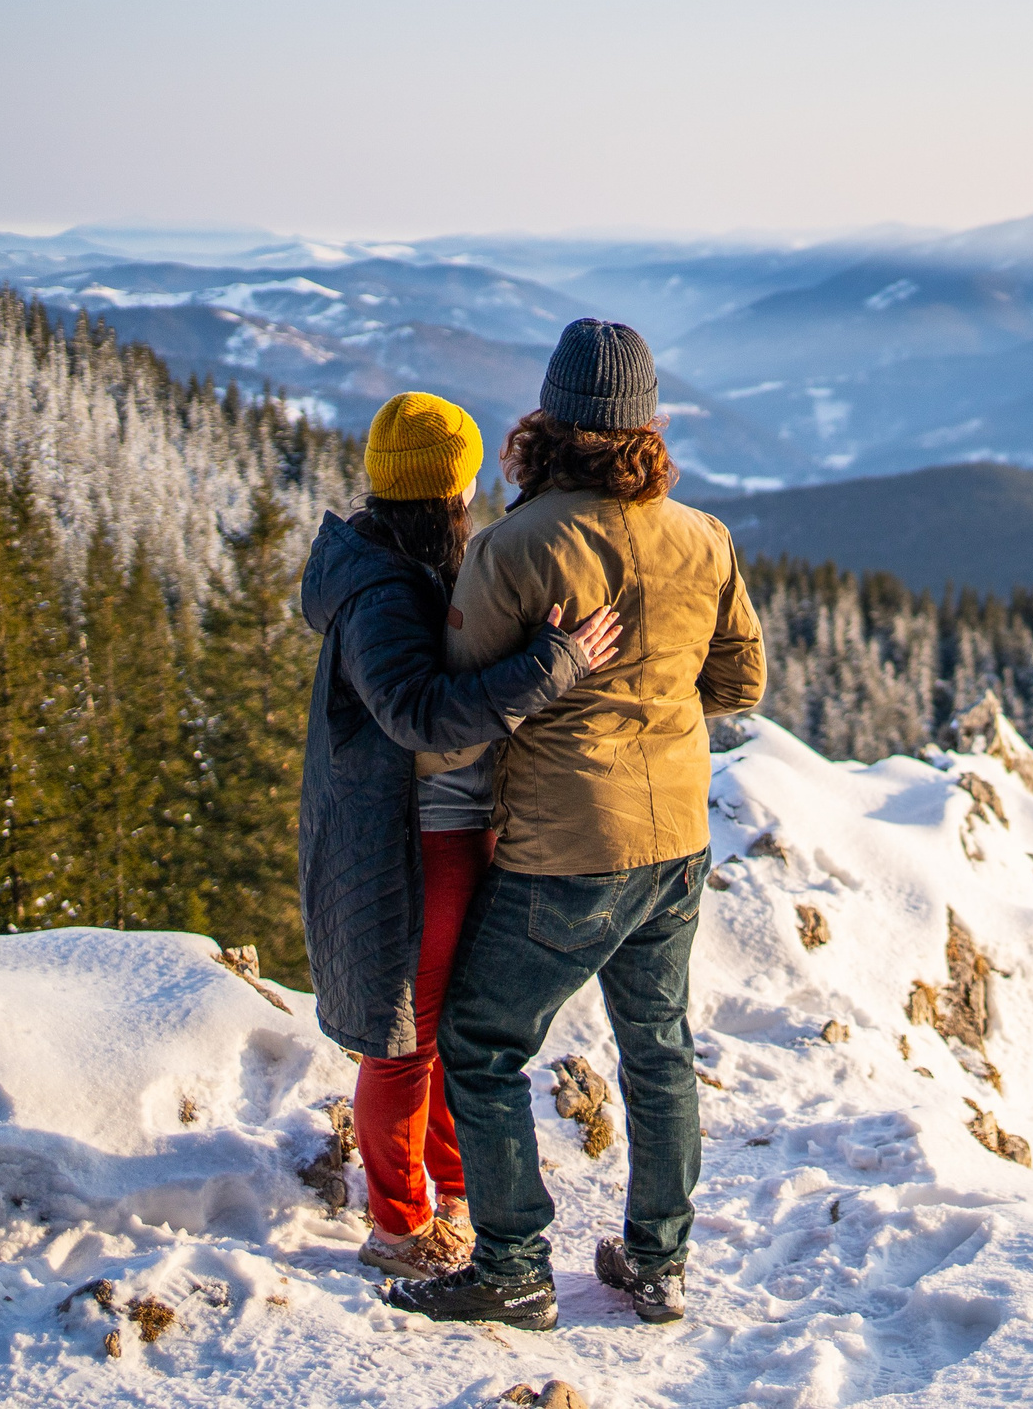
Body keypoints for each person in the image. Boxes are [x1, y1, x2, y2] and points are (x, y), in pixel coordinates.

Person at [387, 320, 764, 1332]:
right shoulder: (704, 537)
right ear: (647, 425)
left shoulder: (514, 547)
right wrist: (657, 698)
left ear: (549, 419)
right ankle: (658, 1263)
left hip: (567, 842)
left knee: (481, 1042)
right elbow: (741, 682)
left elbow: (461, 717)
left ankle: (513, 1266)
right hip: (678, 835)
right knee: (658, 1046)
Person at [297, 392, 624, 1280]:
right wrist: (551, 667)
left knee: (442, 1034)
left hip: (451, 830)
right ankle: (399, 1227)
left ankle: (452, 1193)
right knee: (405, 1042)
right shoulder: (382, 590)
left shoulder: (407, 567)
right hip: (414, 844)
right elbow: (418, 713)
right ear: (450, 487)